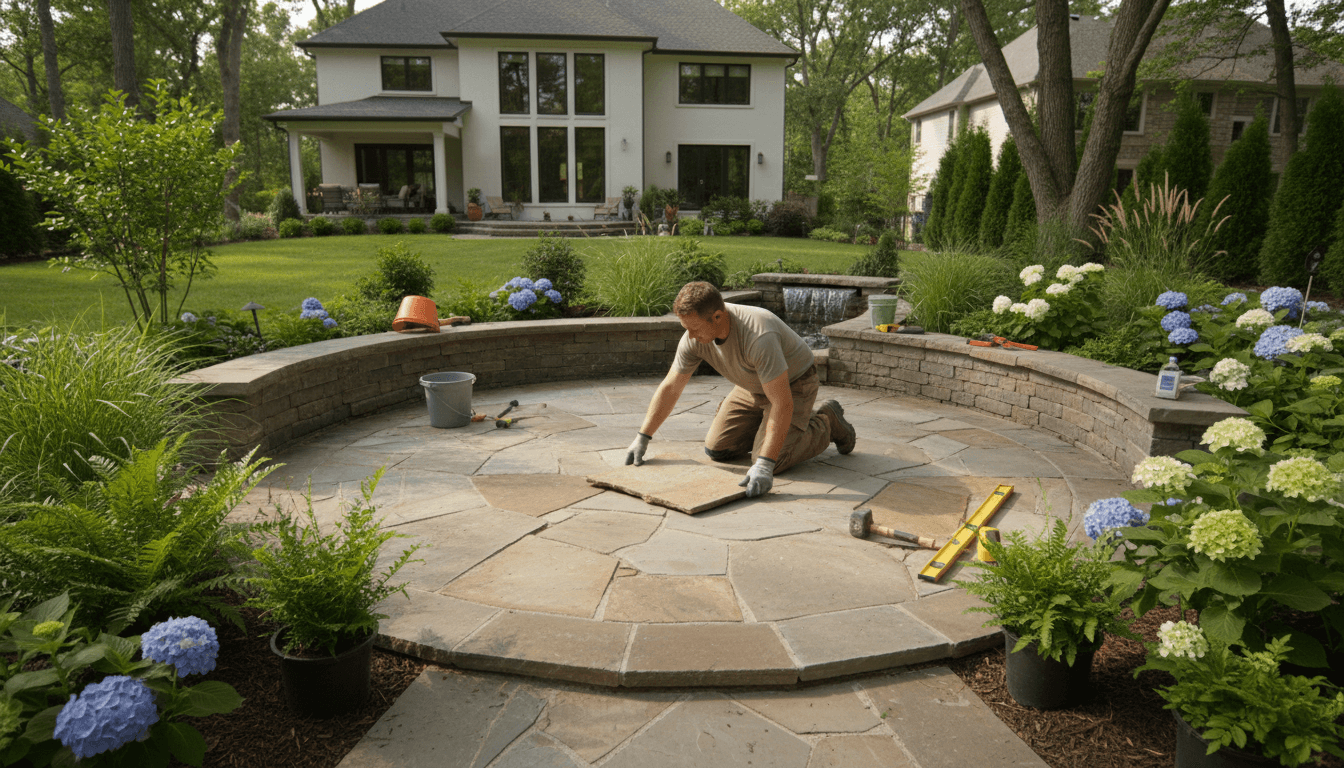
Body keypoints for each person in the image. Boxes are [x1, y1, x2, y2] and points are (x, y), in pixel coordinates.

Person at [624, 281, 856, 497]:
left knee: (772, 459)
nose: (690, 336)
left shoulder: (758, 335)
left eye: (694, 329)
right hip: (751, 385)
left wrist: (765, 464)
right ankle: (767, 427)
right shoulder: (693, 337)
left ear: (717, 316)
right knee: (718, 450)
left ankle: (827, 420)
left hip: (795, 383)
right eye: (687, 328)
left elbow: (782, 403)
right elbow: (671, 387)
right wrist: (643, 436)